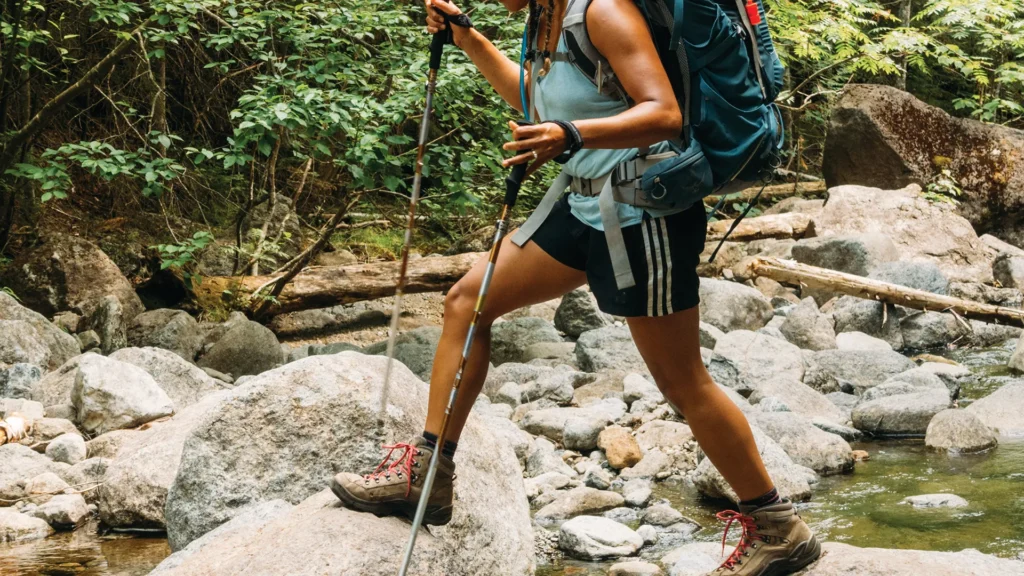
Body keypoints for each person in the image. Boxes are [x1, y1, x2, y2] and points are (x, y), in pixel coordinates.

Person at [331, 0, 821, 573]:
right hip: (585, 200)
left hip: (647, 210)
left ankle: (778, 526)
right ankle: (426, 477)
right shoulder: (543, 20)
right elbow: (540, 104)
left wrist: (569, 134)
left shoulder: (604, 11)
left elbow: (663, 114)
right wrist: (472, 41)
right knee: (467, 302)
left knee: (682, 382)